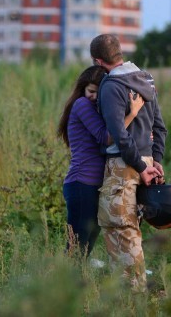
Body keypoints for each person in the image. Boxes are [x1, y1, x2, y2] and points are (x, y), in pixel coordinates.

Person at [90, 34, 168, 292]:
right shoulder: (145, 78)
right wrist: (155, 161)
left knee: (120, 227)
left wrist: (141, 166)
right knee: (132, 227)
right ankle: (130, 288)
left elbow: (117, 133)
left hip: (124, 165)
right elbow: (160, 126)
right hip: (144, 159)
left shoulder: (112, 85)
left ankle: (132, 292)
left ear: (98, 61)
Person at [57, 66, 144, 258]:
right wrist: (132, 114)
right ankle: (60, 285)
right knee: (76, 245)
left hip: (94, 185)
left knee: (86, 246)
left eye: (98, 92)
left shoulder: (95, 108)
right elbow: (106, 137)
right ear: (82, 89)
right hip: (82, 184)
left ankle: (75, 284)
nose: (94, 96)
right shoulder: (81, 104)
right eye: (91, 91)